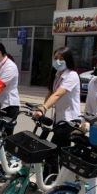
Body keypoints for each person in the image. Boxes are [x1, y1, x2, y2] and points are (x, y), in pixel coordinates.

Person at [33, 46, 80, 175]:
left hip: (69, 120)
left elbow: (58, 94)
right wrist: (41, 108)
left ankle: (54, 182)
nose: (58, 61)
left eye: (61, 58)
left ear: (68, 60)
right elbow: (50, 92)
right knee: (58, 151)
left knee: (54, 151)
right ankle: (54, 180)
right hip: (59, 119)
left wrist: (43, 108)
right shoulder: (57, 74)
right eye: (56, 58)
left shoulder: (72, 75)